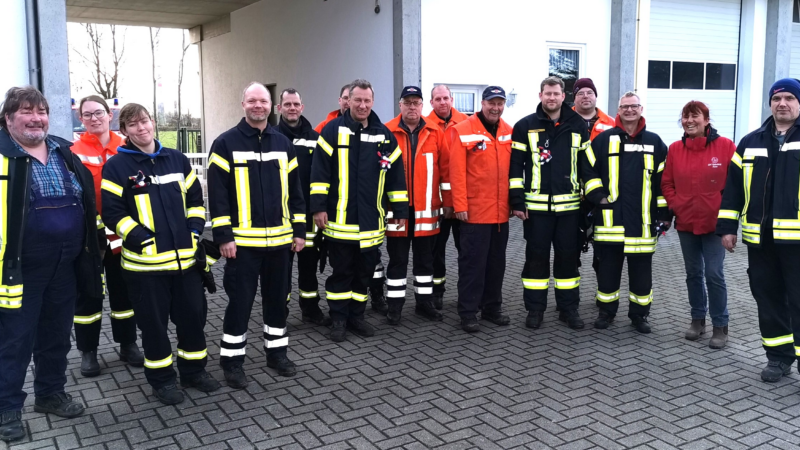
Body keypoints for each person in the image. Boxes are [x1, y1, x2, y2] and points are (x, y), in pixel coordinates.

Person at [0, 86, 103, 442]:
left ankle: (50, 393)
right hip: (17, 269)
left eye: (41, 111)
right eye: (26, 111)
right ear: (8, 118)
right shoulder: (2, 156)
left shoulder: (63, 151)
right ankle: (7, 408)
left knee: (56, 335)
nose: (36, 118)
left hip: (66, 265)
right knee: (14, 340)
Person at [102, 103, 220, 405]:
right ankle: (162, 381)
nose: (141, 128)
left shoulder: (177, 159)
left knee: (193, 319)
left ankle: (194, 371)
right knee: (154, 328)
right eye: (133, 125)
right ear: (125, 131)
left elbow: (196, 200)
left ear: (153, 123)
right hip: (145, 267)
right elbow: (112, 213)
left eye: (144, 122)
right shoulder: (117, 167)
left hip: (186, 264)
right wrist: (140, 238)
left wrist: (194, 231)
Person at [208, 82, 306, 388]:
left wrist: (300, 231)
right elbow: (218, 195)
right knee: (240, 304)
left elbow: (296, 191)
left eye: (263, 101)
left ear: (271, 106)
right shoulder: (225, 143)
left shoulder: (283, 143)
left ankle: (277, 354)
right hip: (242, 246)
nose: (258, 106)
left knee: (277, 302)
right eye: (252, 101)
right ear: (243, 105)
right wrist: (223, 236)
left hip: (280, 243)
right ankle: (232, 362)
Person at [310, 79, 408, 342]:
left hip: (371, 224)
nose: (362, 105)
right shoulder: (331, 130)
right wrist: (318, 208)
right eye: (358, 100)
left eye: (367, 100)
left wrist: (399, 209)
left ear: (372, 102)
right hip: (340, 222)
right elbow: (319, 174)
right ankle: (338, 319)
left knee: (364, 274)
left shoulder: (384, 135)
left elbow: (396, 177)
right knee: (341, 273)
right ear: (347, 101)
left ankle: (356, 317)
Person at [717, 78, 800, 382]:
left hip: (797, 242)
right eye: (777, 98)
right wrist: (727, 227)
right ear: (770, 103)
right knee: (768, 299)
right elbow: (733, 190)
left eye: (790, 97)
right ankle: (778, 358)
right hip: (761, 241)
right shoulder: (751, 141)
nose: (783, 103)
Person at [583, 92, 670, 334]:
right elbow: (587, 171)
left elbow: (663, 182)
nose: (630, 111)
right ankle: (606, 312)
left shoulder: (655, 142)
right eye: (625, 107)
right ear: (618, 110)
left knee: (641, 274)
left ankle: (640, 315)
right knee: (608, 272)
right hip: (610, 221)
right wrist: (599, 196)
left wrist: (664, 214)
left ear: (641, 109)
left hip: (643, 223)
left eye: (634, 106)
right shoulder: (603, 140)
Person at [510, 76, 590, 330]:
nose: (552, 98)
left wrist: (593, 199)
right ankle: (535, 310)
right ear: (540, 95)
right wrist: (517, 201)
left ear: (563, 95)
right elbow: (515, 168)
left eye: (556, 93)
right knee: (536, 260)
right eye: (547, 93)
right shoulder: (525, 126)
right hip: (536, 211)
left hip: (569, 211)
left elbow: (587, 166)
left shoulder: (578, 124)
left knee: (568, 260)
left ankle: (569, 309)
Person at [71, 95, 144, 377]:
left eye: (98, 113)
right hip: (89, 234)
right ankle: (88, 351)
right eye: (87, 114)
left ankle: (128, 344)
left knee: (123, 289)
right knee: (88, 293)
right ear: (81, 119)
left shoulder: (126, 147)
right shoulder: (73, 151)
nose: (94, 118)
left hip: (121, 231)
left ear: (109, 114)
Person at [662, 101, 735, 348]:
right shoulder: (674, 149)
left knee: (714, 274)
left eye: (695, 116)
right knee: (693, 273)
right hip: (686, 223)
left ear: (706, 120)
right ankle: (697, 319)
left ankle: (720, 325)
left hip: (716, 225)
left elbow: (735, 186)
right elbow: (666, 183)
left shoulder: (725, 146)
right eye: (685, 117)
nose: (689, 121)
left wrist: (729, 223)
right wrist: (677, 205)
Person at [449, 86, 513, 333]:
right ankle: (467, 312)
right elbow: (456, 172)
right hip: (474, 212)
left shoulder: (509, 131)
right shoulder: (462, 130)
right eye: (491, 103)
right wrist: (460, 205)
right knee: (472, 266)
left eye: (500, 103)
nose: (495, 108)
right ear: (482, 103)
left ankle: (492, 308)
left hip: (500, 213)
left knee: (497, 264)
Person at [384, 86, 448, 324]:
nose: (412, 107)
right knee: (397, 260)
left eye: (416, 102)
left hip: (427, 210)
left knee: (425, 261)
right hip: (397, 212)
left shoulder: (435, 132)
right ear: (400, 105)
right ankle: (395, 306)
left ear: (423, 106)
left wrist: (448, 203)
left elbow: (446, 172)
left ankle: (425, 303)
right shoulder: (387, 131)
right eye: (407, 102)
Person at [276, 88, 331, 326]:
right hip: (280, 216)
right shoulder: (272, 137)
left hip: (308, 215)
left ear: (302, 107)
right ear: (279, 108)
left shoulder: (315, 138)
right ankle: (280, 312)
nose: (292, 108)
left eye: (295, 104)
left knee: (308, 266)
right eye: (287, 104)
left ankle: (310, 309)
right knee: (282, 270)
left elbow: (324, 174)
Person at [427, 84, 469, 309]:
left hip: (462, 202)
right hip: (436, 204)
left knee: (467, 251)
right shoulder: (424, 126)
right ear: (431, 102)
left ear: (452, 99)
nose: (442, 102)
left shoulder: (466, 123)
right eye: (438, 99)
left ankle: (467, 292)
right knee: (436, 252)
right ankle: (437, 292)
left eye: (446, 98)